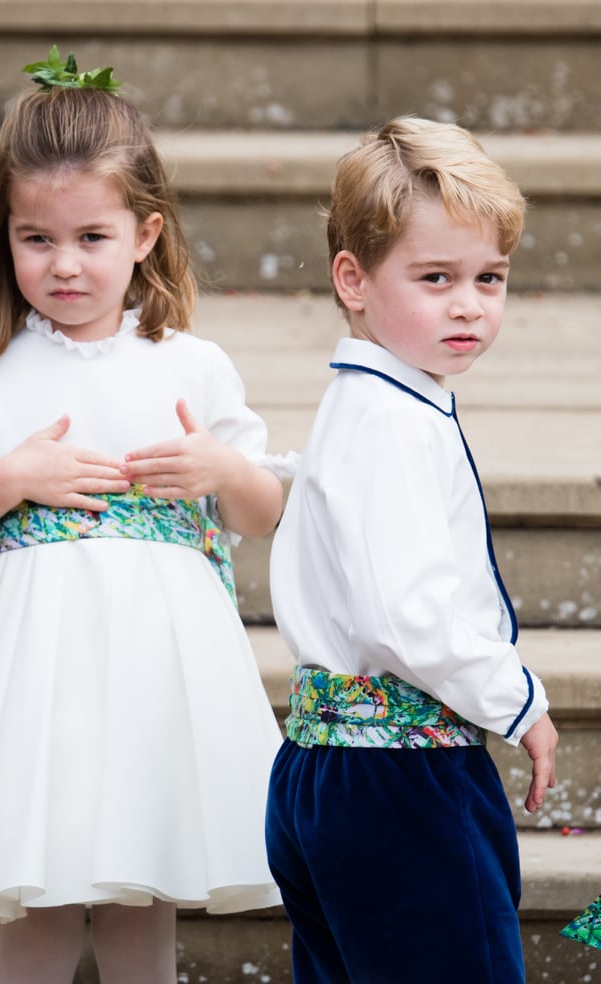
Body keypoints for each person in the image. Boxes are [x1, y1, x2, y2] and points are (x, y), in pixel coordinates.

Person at [0, 48, 285, 984]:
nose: (63, 264)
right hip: (30, 679)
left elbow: (260, 512)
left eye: (92, 238)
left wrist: (220, 466)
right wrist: (5, 480)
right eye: (36, 239)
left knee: (143, 910)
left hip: (155, 669)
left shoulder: (192, 366)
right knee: (39, 905)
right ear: (3, 237)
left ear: (144, 234)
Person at [265, 116, 559, 984]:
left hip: (324, 771)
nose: (468, 303)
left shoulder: (367, 405)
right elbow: (409, 612)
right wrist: (518, 701)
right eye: (436, 278)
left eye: (489, 278)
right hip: (403, 784)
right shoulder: (394, 424)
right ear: (352, 279)